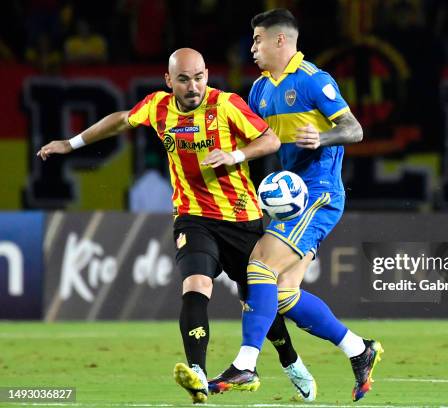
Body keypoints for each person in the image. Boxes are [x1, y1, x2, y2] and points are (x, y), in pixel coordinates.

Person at [36, 47, 315, 404]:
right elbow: (122, 119)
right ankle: (197, 373)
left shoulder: (226, 104)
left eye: (198, 77)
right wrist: (69, 143)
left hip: (241, 219)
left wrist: (235, 155)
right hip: (193, 217)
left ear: (207, 75)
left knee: (258, 300)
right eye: (183, 79)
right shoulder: (157, 107)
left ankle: (291, 362)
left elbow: (270, 139)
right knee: (196, 283)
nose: (193, 86)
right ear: (169, 81)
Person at [208, 9, 383, 402]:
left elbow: (354, 129)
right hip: (290, 196)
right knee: (284, 293)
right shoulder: (259, 90)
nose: (251, 48)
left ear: (280, 41)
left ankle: (245, 364)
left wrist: (320, 138)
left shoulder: (313, 81)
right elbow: (260, 144)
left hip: (319, 194)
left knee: (259, 266)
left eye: (257, 40)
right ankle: (360, 349)